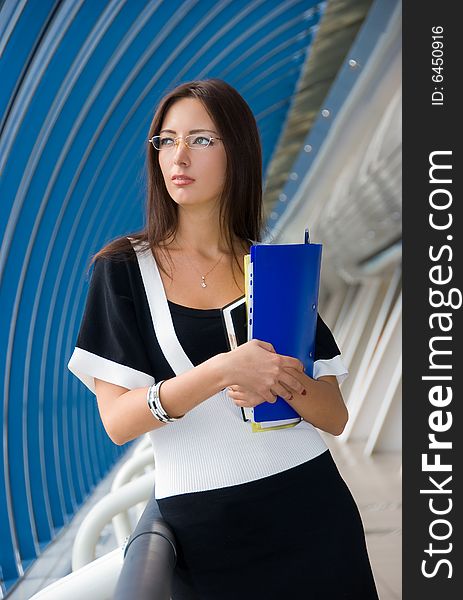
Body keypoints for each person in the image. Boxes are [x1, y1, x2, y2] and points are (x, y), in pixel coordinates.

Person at [68, 78, 378, 599]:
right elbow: (118, 422)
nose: (179, 155)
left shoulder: (274, 268)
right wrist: (222, 371)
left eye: (201, 140)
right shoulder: (122, 271)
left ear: (237, 153)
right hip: (205, 528)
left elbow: (336, 415)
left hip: (311, 508)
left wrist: (281, 382)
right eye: (166, 140)